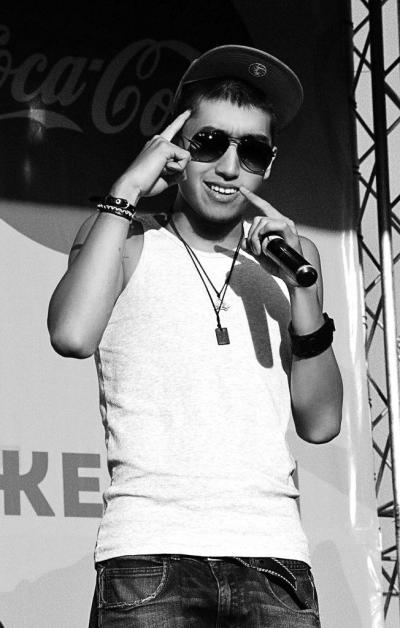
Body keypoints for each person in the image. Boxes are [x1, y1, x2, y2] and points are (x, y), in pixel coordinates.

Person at [48, 44, 343, 627]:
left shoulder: (292, 259)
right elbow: (72, 334)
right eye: (210, 143)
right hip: (150, 554)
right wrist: (130, 184)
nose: (230, 167)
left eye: (251, 150)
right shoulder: (125, 239)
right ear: (176, 148)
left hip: (275, 560)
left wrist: (302, 288)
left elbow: (321, 422)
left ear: (268, 165)